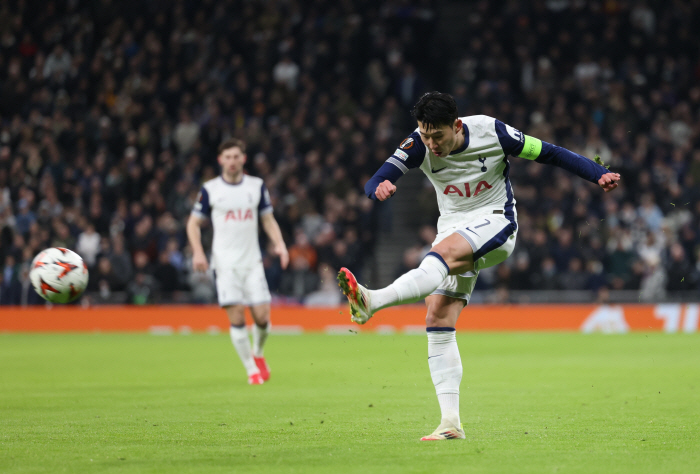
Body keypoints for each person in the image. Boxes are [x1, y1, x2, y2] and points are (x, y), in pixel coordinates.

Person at [337, 92, 620, 440]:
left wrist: (597, 174)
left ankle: (372, 301)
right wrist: (379, 187)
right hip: (452, 226)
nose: (430, 143)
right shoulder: (417, 143)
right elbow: (376, 178)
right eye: (425, 135)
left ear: (456, 125)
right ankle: (450, 423)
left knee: (441, 256)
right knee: (438, 317)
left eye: (436, 136)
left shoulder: (492, 132)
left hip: (496, 221)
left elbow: (550, 153)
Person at [187, 138, 289, 385]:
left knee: (263, 318)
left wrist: (280, 244)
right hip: (225, 265)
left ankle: (258, 353)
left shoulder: (256, 186)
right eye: (227, 157)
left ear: (243, 159)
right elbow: (193, 223)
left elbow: (267, 219)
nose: (232, 161)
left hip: (252, 262)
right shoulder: (210, 189)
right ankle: (251, 370)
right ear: (220, 160)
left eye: (236, 157)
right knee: (237, 318)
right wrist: (198, 252)